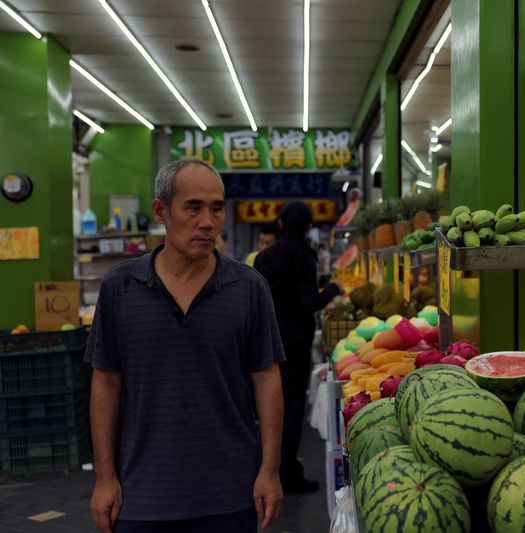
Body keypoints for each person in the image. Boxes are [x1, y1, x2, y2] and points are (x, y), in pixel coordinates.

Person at [86, 159, 285, 533]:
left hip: (230, 492)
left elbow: (266, 378)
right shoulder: (120, 287)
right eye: (193, 207)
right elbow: (106, 383)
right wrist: (104, 477)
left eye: (216, 208)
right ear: (161, 211)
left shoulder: (248, 287)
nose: (208, 221)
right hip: (142, 493)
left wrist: (270, 470)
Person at [253, 201, 340, 492]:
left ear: (280, 224)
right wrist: (331, 290)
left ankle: (266, 467)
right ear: (308, 227)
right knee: (290, 408)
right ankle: (286, 472)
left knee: (264, 405)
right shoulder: (305, 257)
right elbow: (308, 303)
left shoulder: (264, 259)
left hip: (267, 338)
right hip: (296, 341)